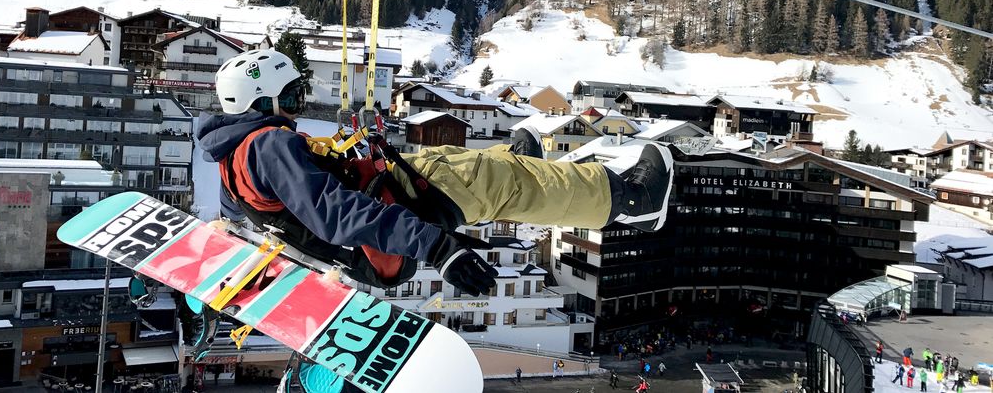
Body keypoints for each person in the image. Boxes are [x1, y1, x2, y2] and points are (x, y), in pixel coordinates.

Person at [201, 49, 674, 298]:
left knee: (449, 158)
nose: (297, 107)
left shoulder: (230, 158)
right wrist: (438, 247)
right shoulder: (270, 144)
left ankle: (519, 162)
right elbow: (334, 213)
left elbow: (249, 221)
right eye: (291, 95)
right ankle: (629, 202)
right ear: (264, 103)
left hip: (382, 207)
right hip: (387, 225)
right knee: (495, 182)